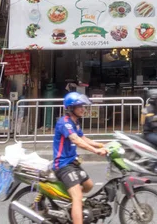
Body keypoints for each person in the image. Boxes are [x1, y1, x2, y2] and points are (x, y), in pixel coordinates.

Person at [53, 92, 107, 224]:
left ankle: (69, 206)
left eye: (83, 106)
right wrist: (96, 151)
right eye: (79, 106)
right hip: (63, 165)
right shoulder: (64, 123)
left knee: (89, 185)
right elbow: (76, 140)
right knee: (77, 197)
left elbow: (82, 137)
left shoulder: (75, 122)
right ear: (71, 108)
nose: (83, 109)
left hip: (72, 162)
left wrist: (100, 144)